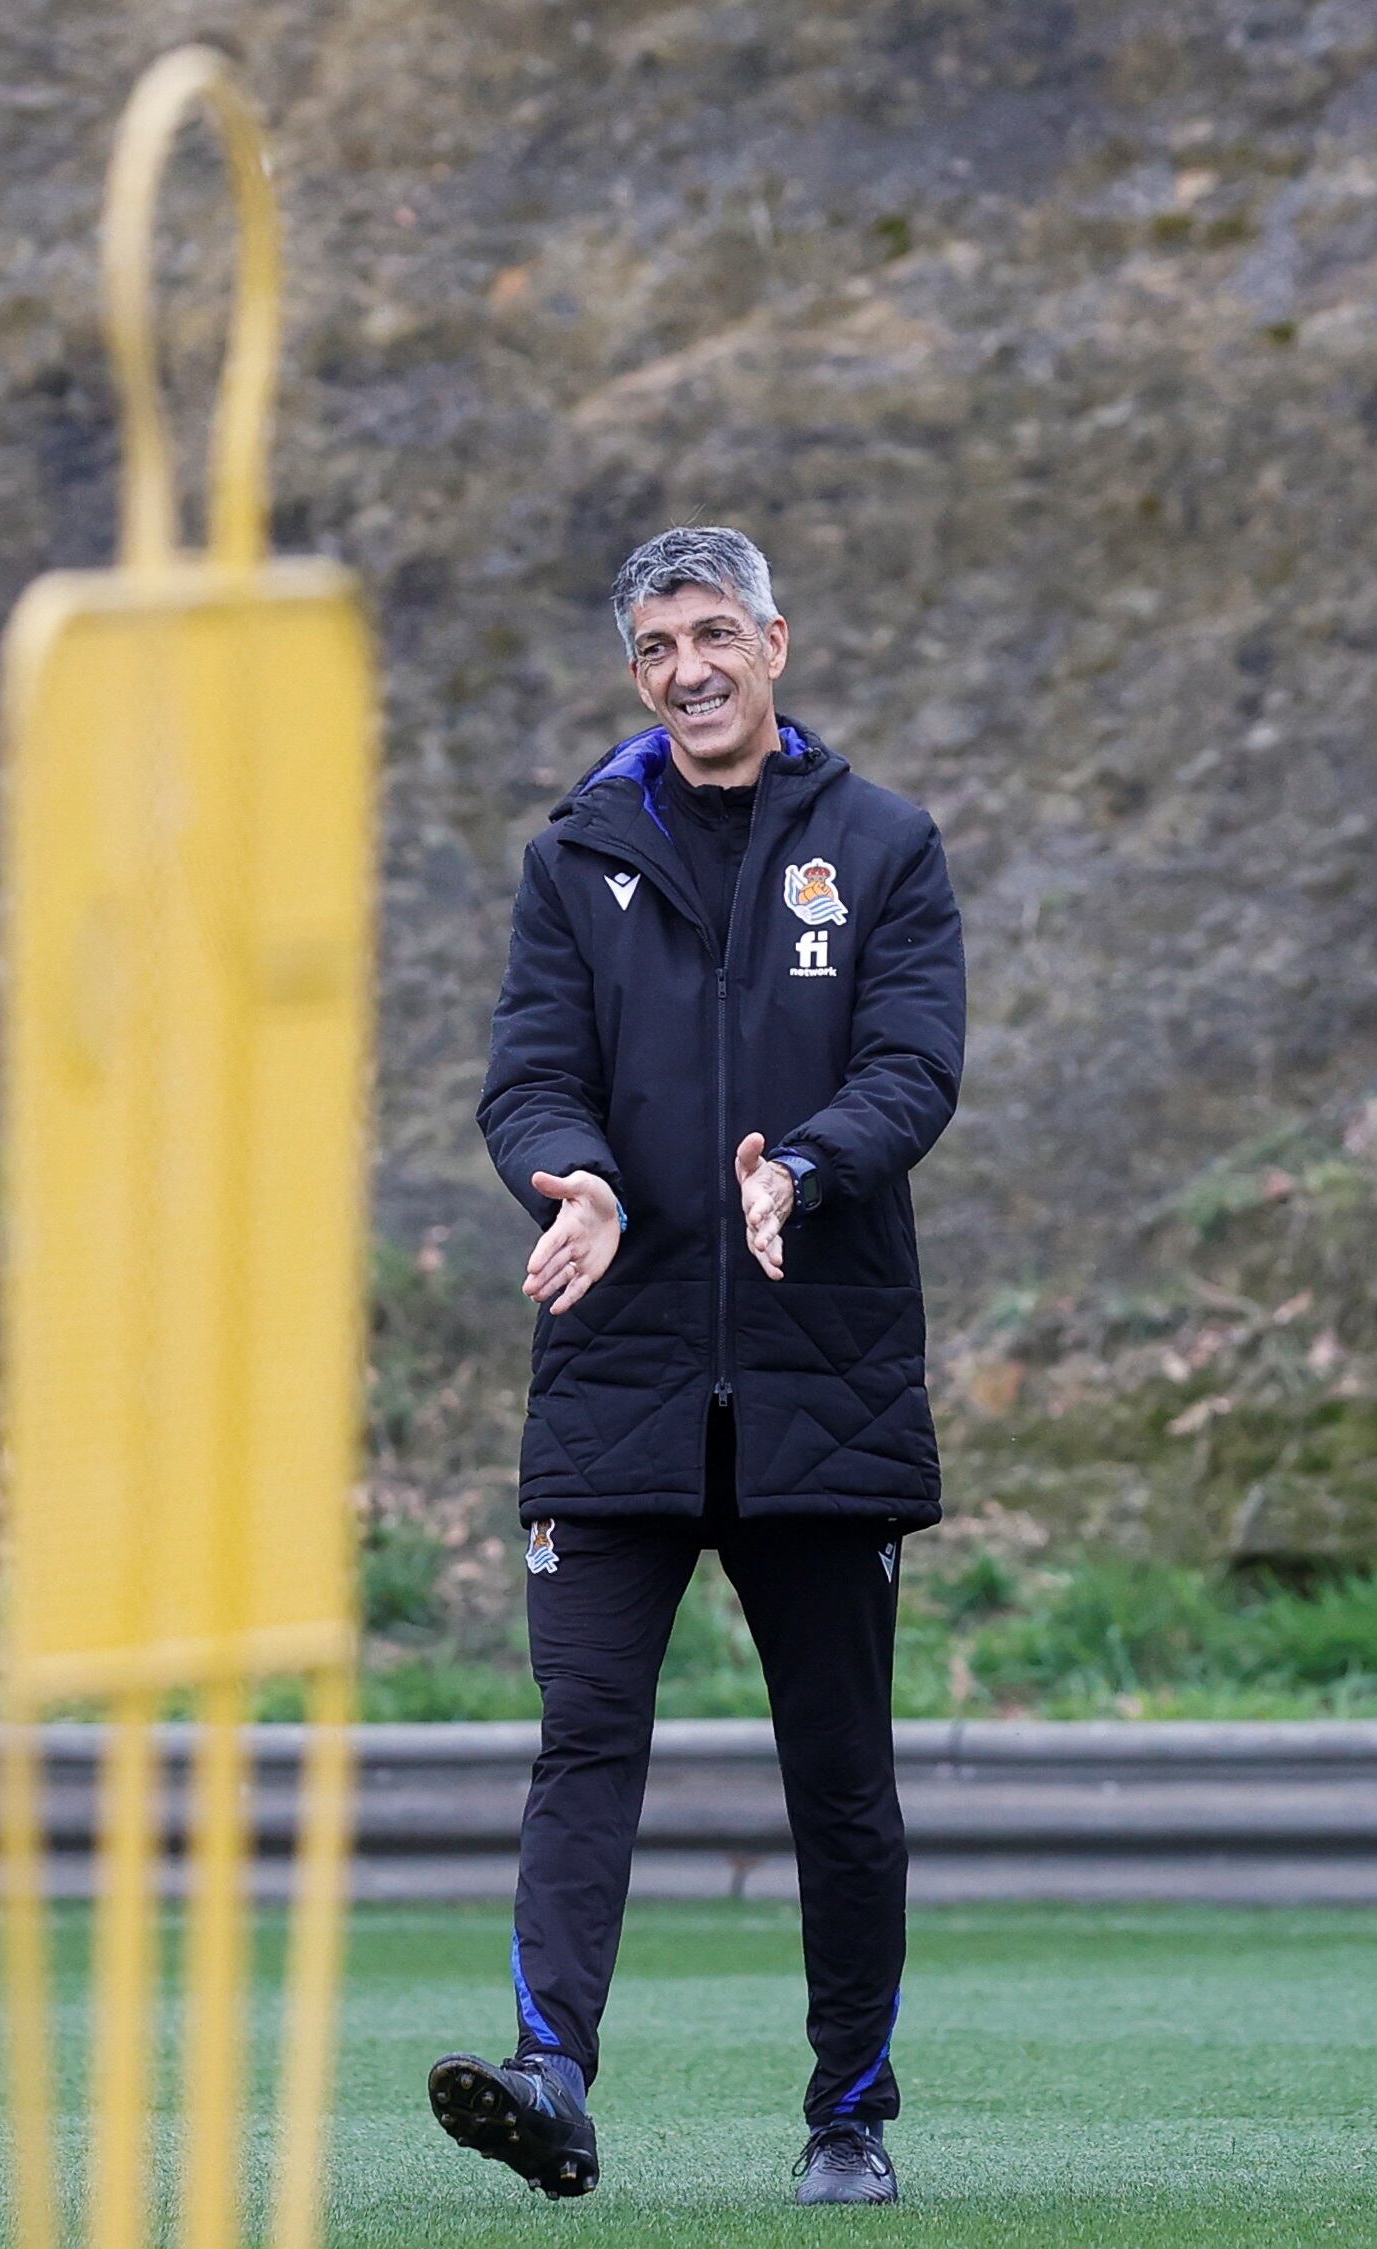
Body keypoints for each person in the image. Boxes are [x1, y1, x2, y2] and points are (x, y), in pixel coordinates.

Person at [428, 525, 966, 2207]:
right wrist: (567, 1175)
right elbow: (527, 1076)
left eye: (713, 631)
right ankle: (550, 2076)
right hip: (616, 1378)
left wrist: (798, 1166)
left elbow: (915, 1065)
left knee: (842, 1778)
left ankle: (850, 2110)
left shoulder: (883, 847)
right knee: (585, 1742)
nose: (687, 668)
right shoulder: (572, 860)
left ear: (777, 642)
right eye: (657, 644)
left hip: (825, 1376)